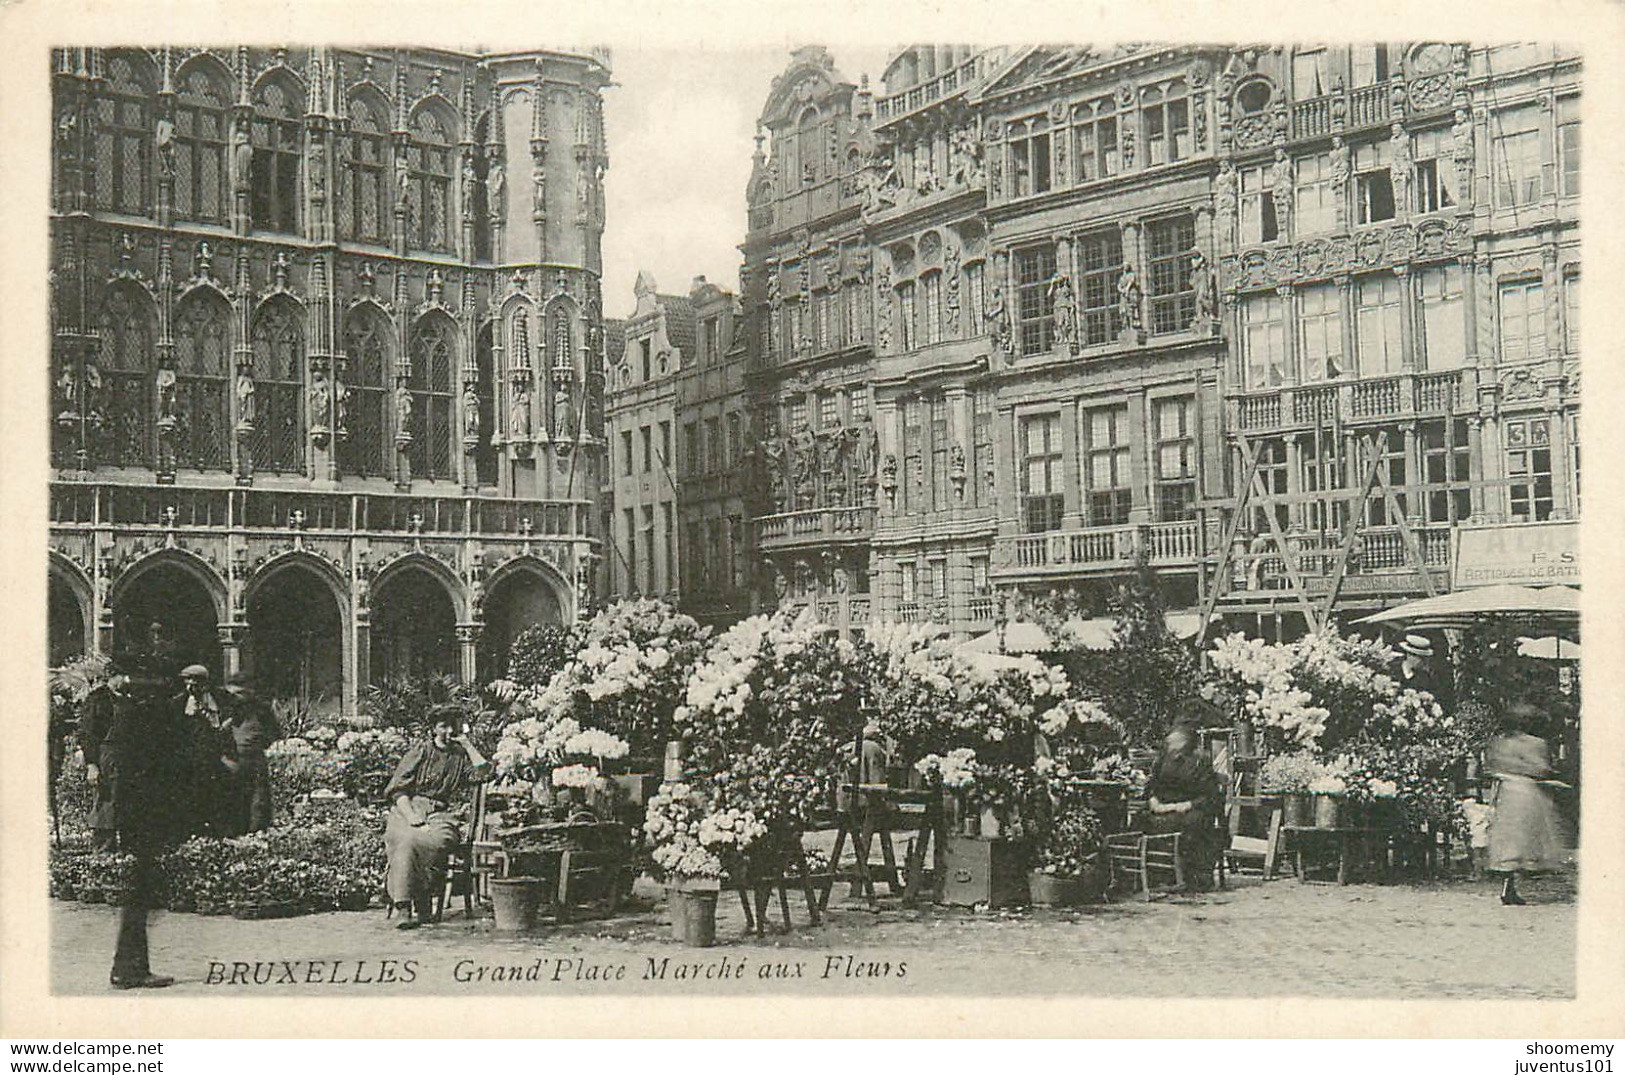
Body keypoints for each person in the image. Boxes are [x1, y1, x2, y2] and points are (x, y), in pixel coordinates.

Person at [382, 705, 492, 929]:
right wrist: (412, 817)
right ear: (433, 728)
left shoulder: (460, 756)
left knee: (432, 840)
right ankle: (404, 907)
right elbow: (398, 790)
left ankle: (421, 900)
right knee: (405, 839)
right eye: (443, 726)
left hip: (440, 814)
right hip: (407, 809)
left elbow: (485, 773)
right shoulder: (421, 751)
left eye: (452, 725)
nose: (448, 730)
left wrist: (467, 743)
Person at [1485, 701, 1567, 905]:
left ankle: (1508, 885)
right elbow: (1540, 769)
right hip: (1526, 793)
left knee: (1509, 840)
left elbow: (1492, 765)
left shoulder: (1501, 742)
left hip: (1506, 792)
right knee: (1526, 839)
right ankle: (1514, 885)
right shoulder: (1535, 744)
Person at [1144, 710, 1224, 893]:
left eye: (1177, 740)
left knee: (1191, 822)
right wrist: (1153, 800)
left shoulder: (1200, 761)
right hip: (1164, 808)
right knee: (1142, 820)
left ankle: (1191, 876)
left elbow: (1210, 795)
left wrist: (1188, 805)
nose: (1173, 744)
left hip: (1191, 808)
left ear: (1187, 742)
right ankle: (1158, 875)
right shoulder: (1161, 760)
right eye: (1171, 740)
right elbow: (1152, 785)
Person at [177, 664, 240, 837]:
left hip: (219, 754)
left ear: (205, 683)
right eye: (187, 682)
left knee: (220, 795)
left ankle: (221, 834)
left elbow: (240, 711)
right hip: (194, 758)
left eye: (195, 683)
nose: (190, 687)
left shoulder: (221, 697)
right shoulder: (180, 702)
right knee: (194, 795)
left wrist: (228, 722)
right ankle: (194, 834)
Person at [221, 671, 282, 833]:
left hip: (255, 761)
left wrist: (256, 745)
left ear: (249, 692)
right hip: (231, 761)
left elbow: (274, 733)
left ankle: (256, 836)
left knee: (258, 801)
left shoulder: (261, 710)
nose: (235, 698)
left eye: (240, 693)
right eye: (232, 693)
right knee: (233, 801)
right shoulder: (226, 709)